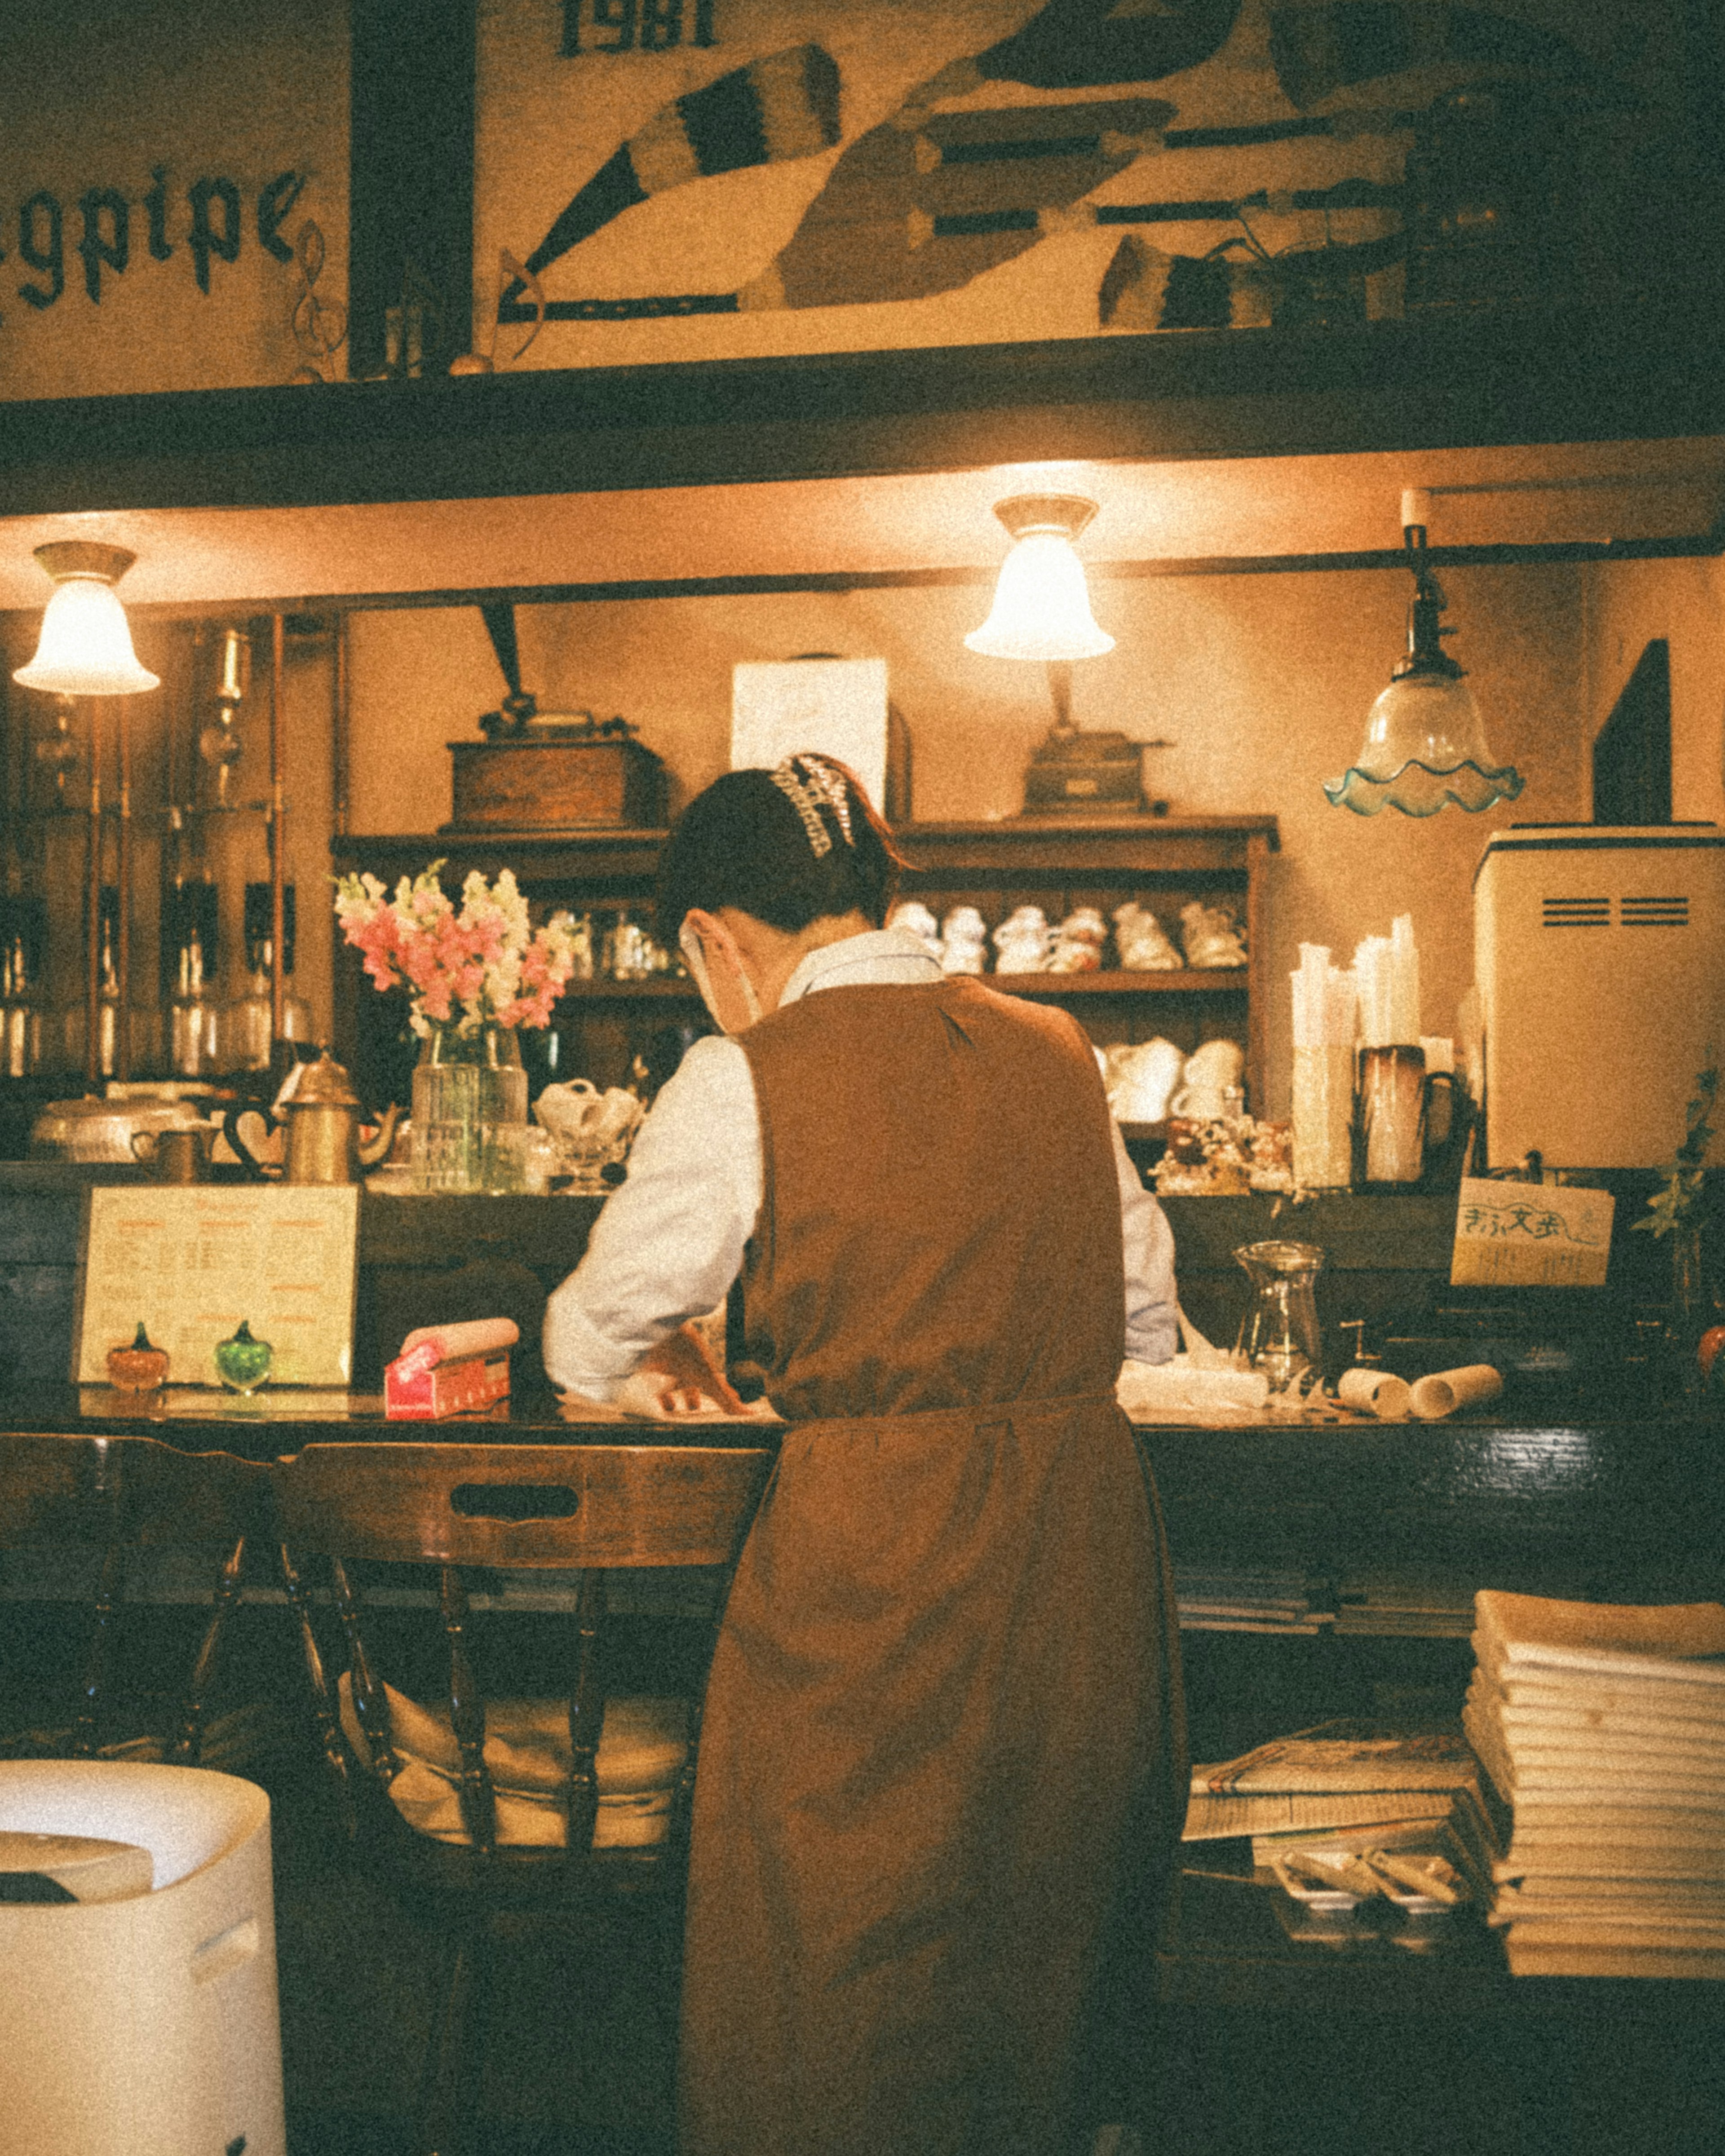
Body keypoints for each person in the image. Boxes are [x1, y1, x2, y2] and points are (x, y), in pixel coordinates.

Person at [543, 753, 1187, 2156]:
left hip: (877, 1553)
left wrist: (687, 1359)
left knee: (833, 1965)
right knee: (1048, 1940)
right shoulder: (1060, 1050)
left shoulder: (743, 1071)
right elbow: (1145, 1316)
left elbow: (591, 1340)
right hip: (1080, 1550)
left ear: (713, 939)